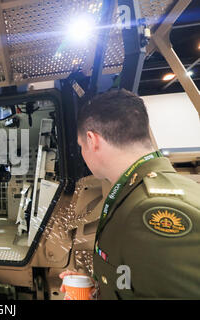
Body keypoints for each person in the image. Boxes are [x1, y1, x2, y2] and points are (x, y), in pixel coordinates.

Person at [60, 89, 200, 299]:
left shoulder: (154, 209)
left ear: (92, 140)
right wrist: (101, 290)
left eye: (81, 146)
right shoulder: (137, 192)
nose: (82, 153)